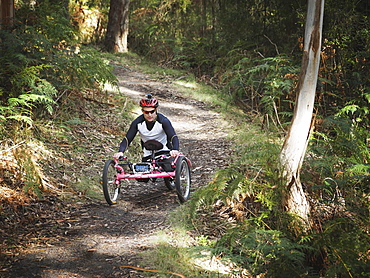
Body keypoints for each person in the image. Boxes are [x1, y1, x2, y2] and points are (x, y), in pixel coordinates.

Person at [113, 94, 179, 162]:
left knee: (168, 169)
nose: (149, 115)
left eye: (152, 111)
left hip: (165, 153)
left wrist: (175, 149)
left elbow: (173, 136)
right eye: (146, 112)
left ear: (156, 109)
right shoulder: (137, 123)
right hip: (148, 155)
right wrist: (121, 151)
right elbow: (127, 139)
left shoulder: (163, 121)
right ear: (142, 111)